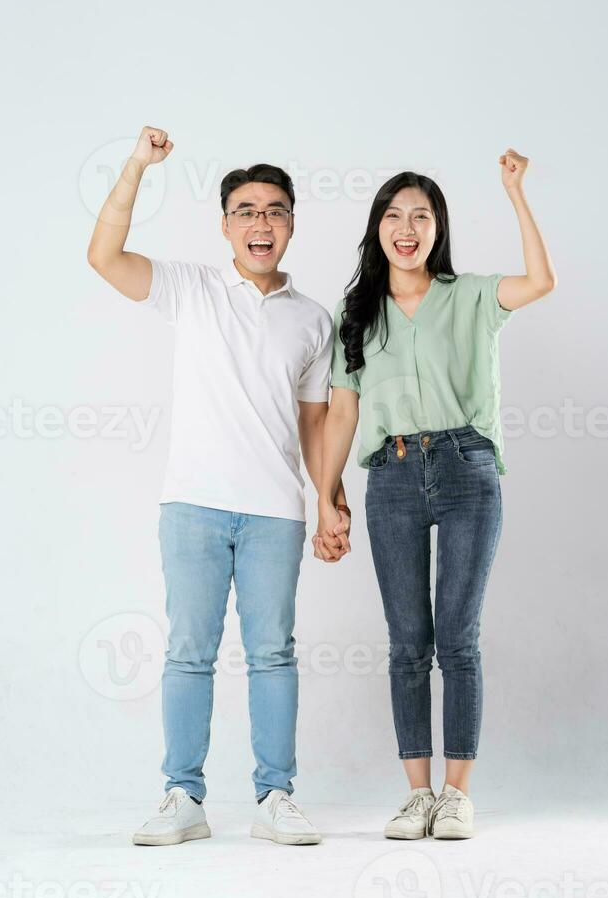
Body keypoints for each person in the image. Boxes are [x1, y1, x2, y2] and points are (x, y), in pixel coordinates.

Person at [87, 125, 349, 846]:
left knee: (273, 653)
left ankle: (275, 797)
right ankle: (183, 797)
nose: (259, 223)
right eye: (245, 210)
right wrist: (139, 164)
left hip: (274, 511)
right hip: (193, 506)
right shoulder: (191, 288)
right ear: (226, 226)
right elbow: (103, 255)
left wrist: (329, 499)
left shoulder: (312, 319)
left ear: (291, 223)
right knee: (187, 653)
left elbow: (315, 421)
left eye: (273, 210)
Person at [313, 150, 556, 840]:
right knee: (406, 641)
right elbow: (339, 410)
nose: (406, 227)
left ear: (437, 228)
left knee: (457, 637)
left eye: (421, 215)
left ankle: (457, 794)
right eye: (394, 215)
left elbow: (541, 280)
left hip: (464, 469)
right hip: (388, 475)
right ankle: (415, 794)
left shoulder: (471, 295)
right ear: (377, 229)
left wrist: (514, 194)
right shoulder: (355, 312)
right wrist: (326, 495)